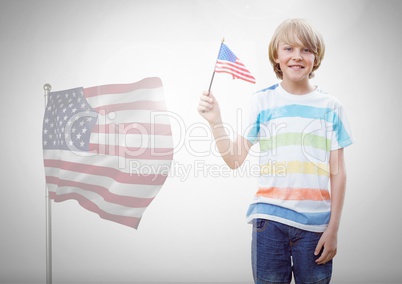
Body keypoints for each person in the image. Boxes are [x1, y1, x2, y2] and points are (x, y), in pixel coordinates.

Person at [197, 18, 354, 284]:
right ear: (276, 56)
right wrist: (215, 121)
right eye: (289, 49)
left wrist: (333, 229)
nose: (297, 56)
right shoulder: (261, 102)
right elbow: (235, 159)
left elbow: (338, 173)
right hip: (269, 223)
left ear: (316, 58)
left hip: (315, 228)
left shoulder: (331, 107)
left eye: (306, 50)